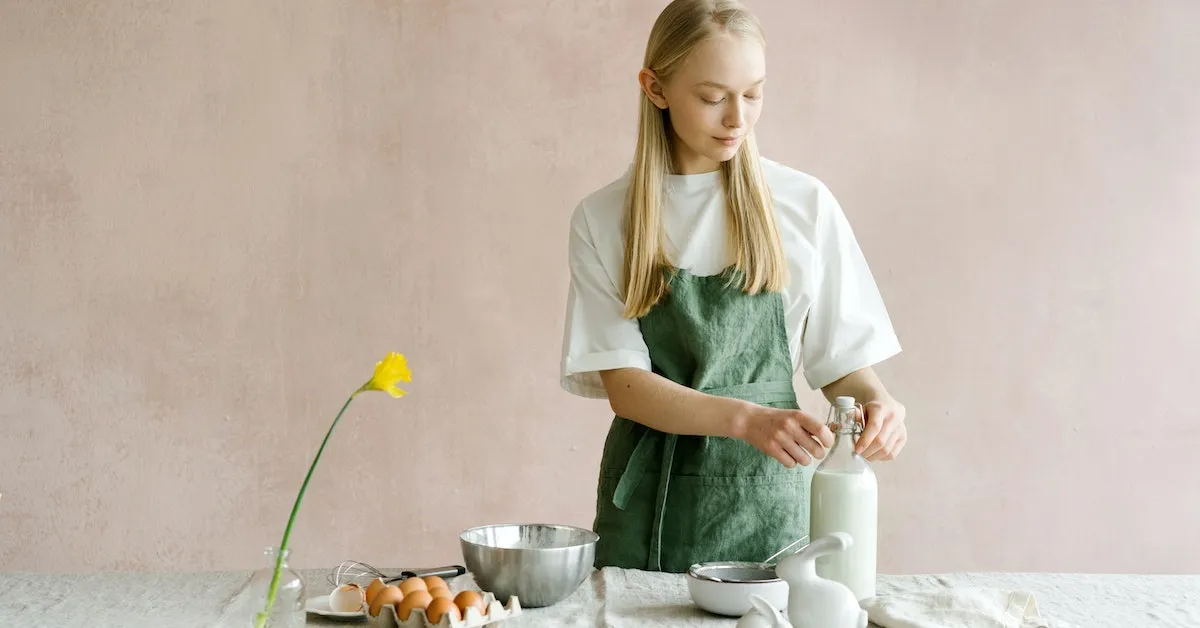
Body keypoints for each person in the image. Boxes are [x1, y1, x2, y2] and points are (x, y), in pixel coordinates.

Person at [558, 0, 906, 573]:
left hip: (768, 497)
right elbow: (626, 386)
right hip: (652, 502)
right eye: (713, 97)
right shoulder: (604, 218)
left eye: (754, 93)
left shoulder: (803, 204)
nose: (737, 119)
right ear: (655, 88)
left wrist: (878, 401)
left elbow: (840, 361)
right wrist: (748, 420)